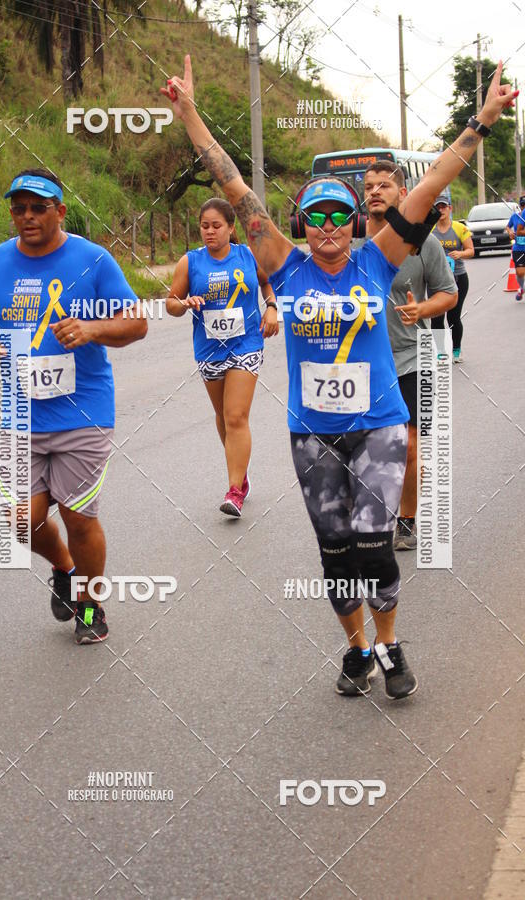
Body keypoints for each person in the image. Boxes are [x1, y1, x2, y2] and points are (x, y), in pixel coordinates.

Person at [162, 55, 516, 699]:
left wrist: (483, 119)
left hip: (379, 426)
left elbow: (433, 180)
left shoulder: (379, 260)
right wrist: (188, 115)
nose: (328, 228)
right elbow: (233, 182)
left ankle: (389, 643)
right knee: (335, 553)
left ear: (355, 223)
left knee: (375, 545)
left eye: (339, 217)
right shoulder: (284, 265)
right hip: (313, 435)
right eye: (316, 217)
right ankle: (356, 648)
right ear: (302, 225)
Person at [0, 168, 147, 644]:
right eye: (19, 207)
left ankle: (90, 605)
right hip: (19, 415)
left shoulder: (94, 260)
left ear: (60, 211)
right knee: (21, 520)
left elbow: (136, 323)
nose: (27, 216)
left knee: (78, 517)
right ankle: (65, 569)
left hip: (81, 412)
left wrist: (92, 330)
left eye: (38, 207)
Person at [357, 161, 457, 551]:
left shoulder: (422, 241)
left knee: (410, 446)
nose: (375, 192)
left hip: (413, 356)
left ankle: (408, 519)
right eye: (369, 186)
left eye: (384, 185)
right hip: (363, 363)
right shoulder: (349, 242)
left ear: (402, 193)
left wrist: (422, 311)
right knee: (370, 447)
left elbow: (448, 293)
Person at [166, 196, 279, 516]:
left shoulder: (247, 255)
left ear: (231, 228)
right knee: (222, 416)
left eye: (217, 226)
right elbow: (171, 304)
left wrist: (271, 307)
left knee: (235, 416)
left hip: (246, 344)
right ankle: (241, 476)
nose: (210, 232)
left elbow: (268, 283)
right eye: (204, 227)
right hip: (209, 349)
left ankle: (234, 492)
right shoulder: (190, 262)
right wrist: (184, 304)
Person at [430, 191, 474, 362]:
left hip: (458, 277)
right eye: (437, 207)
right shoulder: (429, 229)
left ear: (450, 209)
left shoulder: (459, 228)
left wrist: (460, 254)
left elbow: (471, 251)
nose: (441, 210)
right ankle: (441, 351)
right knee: (436, 317)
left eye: (443, 207)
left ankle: (456, 350)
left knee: (453, 317)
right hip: (435, 280)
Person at [506, 195, 525, 300]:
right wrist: (510, 232)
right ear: (519, 206)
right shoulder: (515, 216)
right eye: (522, 205)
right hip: (519, 248)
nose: (524, 208)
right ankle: (522, 288)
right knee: (520, 272)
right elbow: (508, 226)